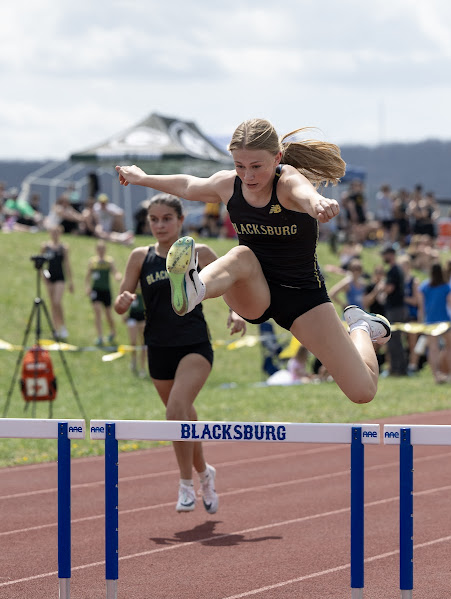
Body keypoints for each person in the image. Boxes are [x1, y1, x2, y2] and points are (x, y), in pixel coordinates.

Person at [116, 118, 391, 405]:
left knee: (363, 391)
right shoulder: (228, 185)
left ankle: (360, 326)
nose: (248, 175)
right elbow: (188, 185)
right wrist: (142, 177)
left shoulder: (287, 181)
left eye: (256, 166)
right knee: (242, 255)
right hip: (254, 288)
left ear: (277, 158)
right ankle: (193, 289)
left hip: (302, 297)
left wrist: (317, 203)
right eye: (240, 166)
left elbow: (304, 192)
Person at [114, 193, 246, 514]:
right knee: (183, 419)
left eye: (166, 219)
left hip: (194, 345)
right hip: (157, 348)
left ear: (181, 220)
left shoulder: (198, 252)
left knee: (176, 410)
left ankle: (185, 485)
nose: (160, 225)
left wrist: (236, 312)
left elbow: (230, 283)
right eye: (154, 220)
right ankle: (205, 473)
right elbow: (125, 295)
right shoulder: (139, 257)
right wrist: (122, 301)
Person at [417, 261, 451, 385]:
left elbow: (421, 306)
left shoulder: (425, 286)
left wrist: (421, 320)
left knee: (433, 349)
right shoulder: (446, 286)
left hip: (430, 321)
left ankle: (436, 375)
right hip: (444, 320)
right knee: (449, 348)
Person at [86, 240, 122, 346]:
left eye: (103, 249)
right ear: (97, 250)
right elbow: (87, 276)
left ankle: (112, 331)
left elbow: (115, 272)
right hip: (96, 290)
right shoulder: (92, 262)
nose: (101, 251)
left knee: (108, 314)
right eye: (99, 249)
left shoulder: (109, 261)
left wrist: (118, 276)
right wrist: (87, 287)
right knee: (97, 312)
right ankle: (100, 336)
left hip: (106, 290)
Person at [41, 225, 74, 340]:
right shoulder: (46, 246)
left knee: (57, 301)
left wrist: (71, 281)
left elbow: (67, 264)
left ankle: (62, 326)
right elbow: (41, 263)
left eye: (56, 232)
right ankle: (55, 329)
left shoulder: (63, 247)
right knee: (52, 304)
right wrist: (43, 275)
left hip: (60, 277)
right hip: (50, 277)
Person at [382, 245, 407, 376]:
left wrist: (381, 287)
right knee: (397, 340)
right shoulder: (398, 269)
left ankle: (397, 369)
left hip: (395, 309)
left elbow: (389, 288)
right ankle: (400, 368)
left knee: (393, 340)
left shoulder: (393, 271)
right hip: (399, 308)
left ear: (390, 254)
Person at [125, 290, 147, 376]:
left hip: (143, 315)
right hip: (132, 315)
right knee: (133, 342)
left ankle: (142, 367)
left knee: (143, 343)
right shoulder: (132, 283)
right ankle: (134, 360)